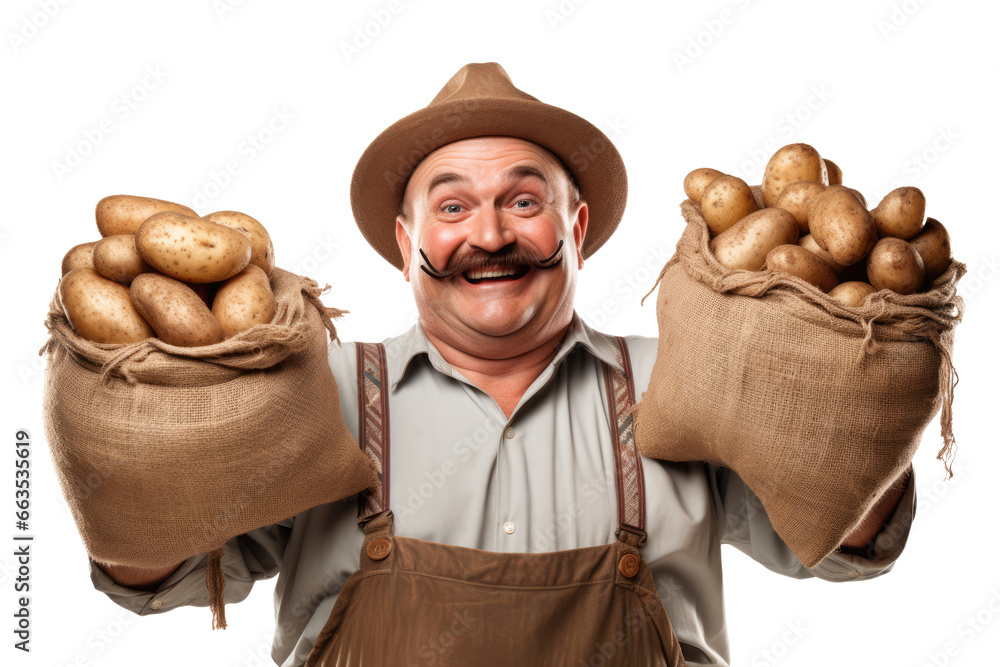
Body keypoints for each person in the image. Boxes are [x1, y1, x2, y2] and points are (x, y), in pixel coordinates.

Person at [90, 63, 914, 666]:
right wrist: (135, 435)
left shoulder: (687, 388)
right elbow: (155, 573)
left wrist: (859, 377)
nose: (489, 235)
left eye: (525, 201)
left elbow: (847, 542)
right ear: (409, 244)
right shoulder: (312, 392)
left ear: (577, 228)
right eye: (452, 207)